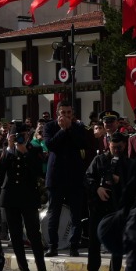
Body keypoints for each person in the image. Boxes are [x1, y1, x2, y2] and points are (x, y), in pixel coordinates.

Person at [0, 120, 54, 271]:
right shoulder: (7, 151)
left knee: (34, 236)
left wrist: (24, 153)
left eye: (24, 135)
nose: (22, 139)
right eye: (18, 136)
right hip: (10, 198)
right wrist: (10, 147)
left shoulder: (34, 150)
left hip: (28, 198)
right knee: (15, 237)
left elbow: (38, 171)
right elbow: (0, 171)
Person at [81, 130, 128, 271]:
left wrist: (119, 180)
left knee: (116, 244)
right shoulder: (99, 160)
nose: (116, 150)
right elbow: (88, 177)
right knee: (94, 243)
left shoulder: (128, 163)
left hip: (117, 208)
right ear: (109, 145)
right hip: (98, 207)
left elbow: (133, 184)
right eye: (113, 147)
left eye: (119, 147)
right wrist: (97, 189)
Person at [43, 106, 92, 257]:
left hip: (74, 177)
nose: (66, 115)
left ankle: (74, 246)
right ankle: (53, 246)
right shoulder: (50, 126)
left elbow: (83, 144)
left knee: (75, 215)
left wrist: (70, 128)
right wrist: (62, 130)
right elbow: (50, 145)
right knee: (54, 213)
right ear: (57, 114)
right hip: (56, 177)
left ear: (73, 114)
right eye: (63, 113)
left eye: (69, 113)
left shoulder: (78, 127)